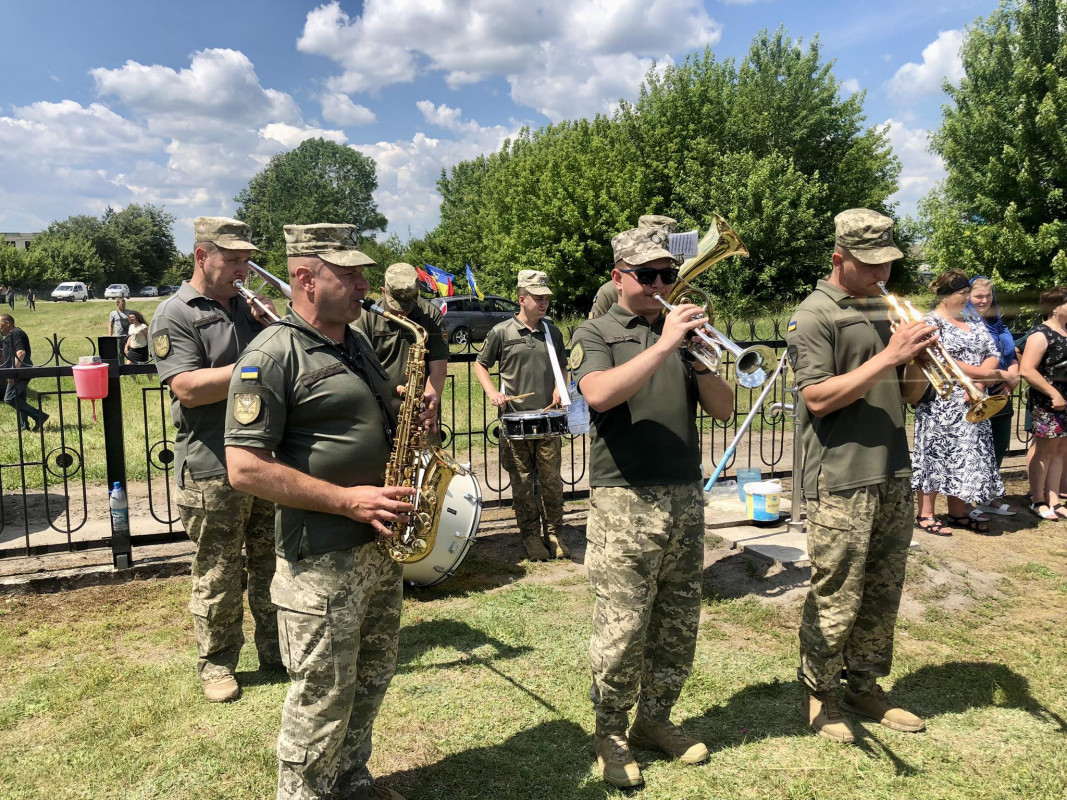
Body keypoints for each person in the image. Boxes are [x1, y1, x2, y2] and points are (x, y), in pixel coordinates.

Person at [225, 223, 421, 800]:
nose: (365, 283)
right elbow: (245, 467)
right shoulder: (271, 354)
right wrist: (345, 500)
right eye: (351, 273)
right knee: (322, 694)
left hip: (376, 547)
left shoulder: (354, 342)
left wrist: (408, 417)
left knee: (370, 678)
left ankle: (351, 778)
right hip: (320, 559)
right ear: (306, 278)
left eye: (364, 271)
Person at [570, 222, 733, 787]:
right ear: (619, 278)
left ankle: (656, 719)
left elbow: (723, 410)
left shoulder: (683, 335)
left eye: (668, 275)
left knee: (677, 620)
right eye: (648, 276)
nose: (661, 284)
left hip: (684, 495)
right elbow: (597, 394)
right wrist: (663, 343)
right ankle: (610, 732)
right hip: (624, 498)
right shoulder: (595, 331)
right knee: (622, 625)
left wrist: (702, 358)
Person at [786, 209, 933, 744]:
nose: (882, 276)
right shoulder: (814, 314)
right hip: (842, 473)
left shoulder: (882, 309)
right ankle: (819, 695)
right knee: (837, 590)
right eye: (870, 265)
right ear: (839, 259)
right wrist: (890, 354)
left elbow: (911, 396)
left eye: (888, 264)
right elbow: (818, 398)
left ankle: (864, 683)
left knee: (882, 587)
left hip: (893, 466)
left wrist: (916, 359)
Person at [149, 216, 281, 703]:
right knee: (219, 573)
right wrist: (260, 364)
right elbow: (186, 387)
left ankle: (278, 652)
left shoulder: (251, 309)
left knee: (272, 565)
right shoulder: (176, 313)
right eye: (234, 260)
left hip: (266, 459)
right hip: (212, 465)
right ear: (202, 256)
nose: (244, 269)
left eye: (248, 259)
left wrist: (278, 330)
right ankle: (217, 664)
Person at [474, 270, 570, 561]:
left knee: (552, 481)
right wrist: (493, 392)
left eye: (546, 299)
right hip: (515, 422)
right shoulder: (502, 332)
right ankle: (529, 535)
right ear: (521, 299)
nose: (543, 303)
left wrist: (559, 386)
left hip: (548, 419)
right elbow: (481, 365)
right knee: (522, 481)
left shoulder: (552, 331)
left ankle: (554, 533)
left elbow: (563, 366)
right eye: (538, 298)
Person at [911, 269, 1006, 535]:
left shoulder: (972, 321)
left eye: (967, 293)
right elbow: (941, 360)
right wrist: (984, 376)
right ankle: (925, 514)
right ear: (946, 295)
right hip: (941, 401)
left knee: (965, 455)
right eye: (962, 294)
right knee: (935, 453)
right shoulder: (930, 322)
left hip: (973, 397)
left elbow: (991, 353)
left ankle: (958, 512)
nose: (967, 299)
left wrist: (979, 383)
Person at [354, 262, 448, 446]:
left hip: (418, 416)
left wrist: (426, 408)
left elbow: (438, 370)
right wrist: (391, 405)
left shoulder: (431, 315)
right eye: (396, 305)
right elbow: (358, 373)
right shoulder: (365, 317)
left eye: (408, 305)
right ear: (383, 291)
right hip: (376, 414)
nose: (403, 312)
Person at [968, 276, 1020, 515]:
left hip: (1001, 393)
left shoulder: (998, 324)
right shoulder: (963, 323)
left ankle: (988, 496)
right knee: (974, 448)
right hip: (975, 392)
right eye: (978, 296)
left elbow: (1011, 353)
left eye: (988, 296)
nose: (984, 301)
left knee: (998, 446)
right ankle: (967, 500)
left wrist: (1013, 375)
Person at [1019, 286, 1067, 521]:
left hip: (1064, 402)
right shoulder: (1041, 334)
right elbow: (1026, 369)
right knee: (1044, 452)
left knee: (1060, 451)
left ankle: (1055, 500)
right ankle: (1038, 500)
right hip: (1048, 403)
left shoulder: (1066, 332)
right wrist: (1053, 393)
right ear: (1056, 306)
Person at [588, 215, 677, 319]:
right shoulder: (609, 291)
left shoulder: (668, 285)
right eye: (646, 275)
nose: (659, 284)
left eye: (668, 274)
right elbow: (598, 325)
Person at [0, 314, 49, 431]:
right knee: (19, 398)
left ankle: (39, 415)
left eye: (0, 324)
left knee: (10, 398)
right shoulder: (10, 335)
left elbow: (21, 352)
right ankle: (24, 426)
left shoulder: (16, 333)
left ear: (7, 323)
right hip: (20, 372)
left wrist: (13, 371)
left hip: (20, 372)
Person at [124, 309, 151, 382]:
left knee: (145, 366)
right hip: (133, 349)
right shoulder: (131, 326)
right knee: (129, 364)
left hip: (142, 349)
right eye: (130, 317)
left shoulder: (143, 326)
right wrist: (126, 347)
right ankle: (134, 381)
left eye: (132, 317)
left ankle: (150, 380)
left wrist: (150, 349)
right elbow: (130, 337)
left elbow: (148, 338)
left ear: (137, 317)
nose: (131, 319)